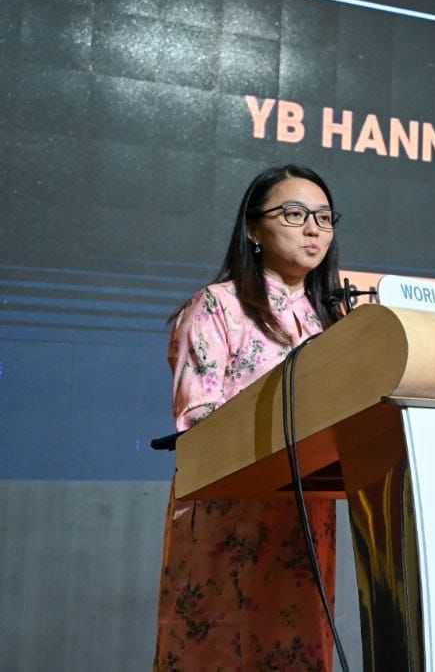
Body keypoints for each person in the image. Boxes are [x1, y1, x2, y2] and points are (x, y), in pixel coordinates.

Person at [153, 164, 348, 671]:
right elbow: (199, 419)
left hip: (304, 517)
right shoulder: (218, 306)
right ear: (254, 229)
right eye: (295, 214)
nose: (313, 229)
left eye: (324, 218)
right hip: (229, 518)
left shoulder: (333, 320)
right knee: (221, 649)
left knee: (297, 649)